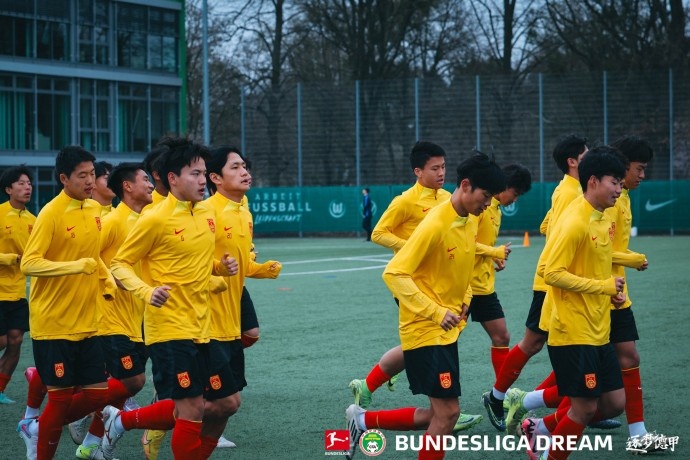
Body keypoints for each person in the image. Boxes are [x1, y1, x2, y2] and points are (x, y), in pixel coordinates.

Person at [345, 153, 507, 460]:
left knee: (439, 415)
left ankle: (362, 420)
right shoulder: (435, 223)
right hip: (425, 329)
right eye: (485, 196)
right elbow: (393, 273)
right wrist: (436, 311)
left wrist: (465, 300)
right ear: (466, 185)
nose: (488, 204)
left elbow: (464, 267)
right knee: (448, 414)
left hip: (445, 329)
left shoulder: (468, 220)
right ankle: (362, 418)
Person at [104, 137, 237, 459]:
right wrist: (147, 291)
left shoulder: (207, 212)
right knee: (191, 409)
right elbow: (119, 264)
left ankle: (121, 421)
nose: (203, 180)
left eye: (204, 173)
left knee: (225, 404)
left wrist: (221, 267)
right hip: (169, 329)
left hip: (203, 325)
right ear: (173, 178)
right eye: (195, 174)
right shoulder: (154, 218)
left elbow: (195, 260)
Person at [523, 146, 627, 460]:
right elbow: (550, 272)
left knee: (614, 403)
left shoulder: (602, 217)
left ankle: (538, 427)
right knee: (584, 409)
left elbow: (595, 263)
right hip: (573, 331)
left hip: (599, 329)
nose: (619, 190)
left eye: (621, 183)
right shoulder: (575, 220)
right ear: (592, 181)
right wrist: (602, 286)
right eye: (614, 182)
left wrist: (612, 291)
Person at [482, 135, 589, 432]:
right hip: (555, 281)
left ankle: (580, 405)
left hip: (565, 280)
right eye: (586, 155)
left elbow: (546, 226)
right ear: (572, 162)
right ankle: (500, 397)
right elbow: (557, 231)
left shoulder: (572, 190)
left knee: (566, 344)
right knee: (535, 342)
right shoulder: (570, 192)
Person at [18, 146, 115, 459]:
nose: (90, 181)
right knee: (59, 401)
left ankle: (36, 426)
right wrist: (74, 267)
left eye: (92, 174)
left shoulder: (94, 209)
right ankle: (40, 438)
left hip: (88, 322)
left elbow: (94, 257)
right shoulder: (51, 213)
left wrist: (109, 281)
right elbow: (29, 263)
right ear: (63, 178)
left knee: (98, 395)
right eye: (82, 175)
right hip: (54, 323)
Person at [198, 145, 282, 458]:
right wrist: (216, 273)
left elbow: (240, 263)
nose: (245, 172)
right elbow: (187, 263)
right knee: (226, 401)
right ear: (215, 178)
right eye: (235, 167)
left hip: (231, 318)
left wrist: (261, 269)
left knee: (227, 403)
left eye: (244, 166)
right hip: (205, 320)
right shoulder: (206, 212)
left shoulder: (243, 210)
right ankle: (135, 419)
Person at [71, 162, 154, 459]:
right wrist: (110, 278)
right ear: (127, 186)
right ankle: (73, 409)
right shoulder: (113, 221)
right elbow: (87, 256)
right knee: (134, 381)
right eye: (145, 179)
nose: (151, 185)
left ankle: (89, 446)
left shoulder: (146, 221)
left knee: (127, 387)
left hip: (138, 317)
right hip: (110, 317)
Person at [606, 136, 670, 450]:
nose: (643, 175)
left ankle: (638, 434)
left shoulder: (624, 196)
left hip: (617, 294)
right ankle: (531, 408)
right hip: (598, 295)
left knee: (625, 358)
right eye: (639, 168)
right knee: (592, 373)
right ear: (623, 165)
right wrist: (631, 260)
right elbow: (596, 250)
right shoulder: (607, 200)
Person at [467, 164, 531, 380]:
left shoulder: (495, 210)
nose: (515, 199)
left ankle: (501, 392)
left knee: (502, 337)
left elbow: (482, 243)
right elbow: (464, 243)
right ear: (504, 186)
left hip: (484, 287)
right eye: (515, 193)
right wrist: (494, 251)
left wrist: (494, 256)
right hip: (463, 287)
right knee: (440, 341)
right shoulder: (479, 208)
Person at [0, 166, 36, 404]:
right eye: (21, 183)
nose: (27, 187)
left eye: (29, 183)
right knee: (2, 341)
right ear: (8, 189)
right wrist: (12, 259)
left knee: (15, 341)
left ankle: (0, 389)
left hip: (18, 292)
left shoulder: (34, 220)